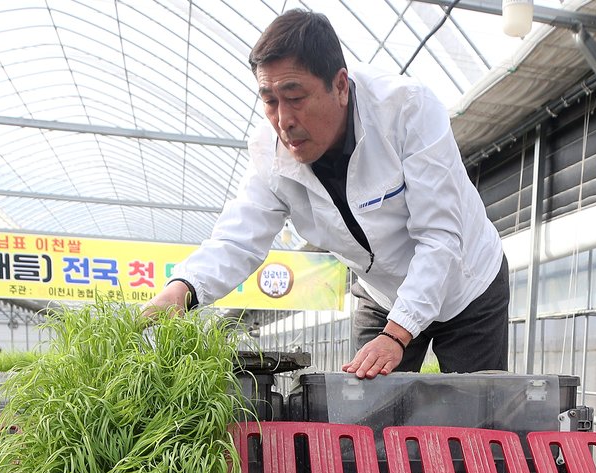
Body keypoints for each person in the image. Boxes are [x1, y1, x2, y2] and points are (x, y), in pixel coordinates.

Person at [140, 9, 509, 379]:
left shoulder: (406, 110)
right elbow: (237, 240)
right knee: (369, 422)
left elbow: (440, 236)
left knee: (478, 420)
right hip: (382, 294)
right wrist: (182, 290)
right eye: (269, 101)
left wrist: (397, 336)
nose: (283, 120)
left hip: (466, 284)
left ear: (341, 86)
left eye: (295, 97)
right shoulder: (269, 153)